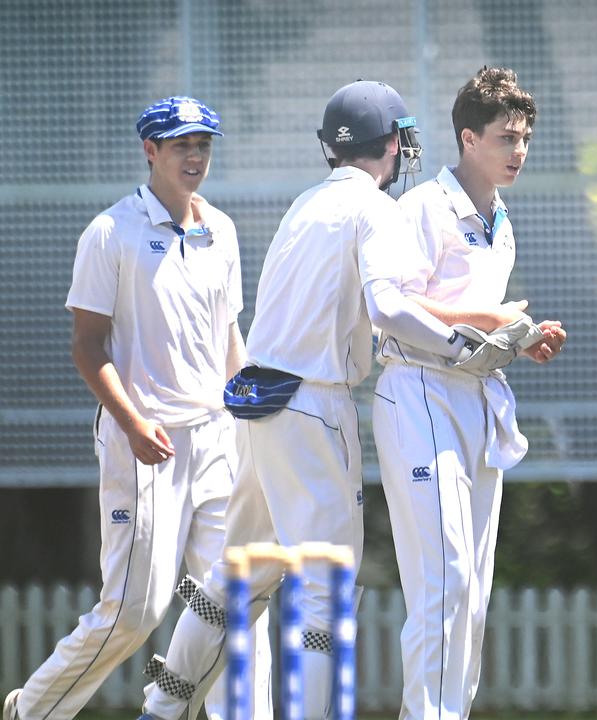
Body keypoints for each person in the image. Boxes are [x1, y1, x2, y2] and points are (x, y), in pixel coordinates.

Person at [135, 80, 468, 720]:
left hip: (260, 403)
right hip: (315, 402)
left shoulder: (306, 204)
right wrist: (462, 346)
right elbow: (389, 306)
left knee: (236, 572)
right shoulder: (376, 210)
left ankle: (162, 706)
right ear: (393, 141)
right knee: (325, 590)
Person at [2, 97, 271, 720]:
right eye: (181, 145)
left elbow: (231, 339)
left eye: (203, 144)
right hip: (144, 443)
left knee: (232, 601)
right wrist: (132, 424)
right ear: (150, 152)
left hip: (217, 441)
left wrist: (252, 417)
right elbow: (86, 347)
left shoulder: (221, 230)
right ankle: (34, 711)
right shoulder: (110, 232)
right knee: (134, 611)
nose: (195, 156)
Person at [376, 66, 566, 720]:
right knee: (443, 584)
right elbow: (392, 304)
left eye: (525, 138)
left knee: (473, 592)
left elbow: (477, 320)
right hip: (418, 396)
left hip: (477, 403)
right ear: (467, 138)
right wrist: (491, 320)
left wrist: (521, 339)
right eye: (507, 137)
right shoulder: (422, 206)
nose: (519, 150)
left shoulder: (501, 220)